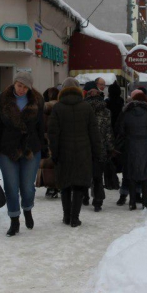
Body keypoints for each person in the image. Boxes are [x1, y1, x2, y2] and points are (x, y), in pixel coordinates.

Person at [0, 72, 45, 237]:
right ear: (14, 83)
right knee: (11, 186)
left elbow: (41, 127)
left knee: (27, 187)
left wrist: (43, 146)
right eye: (19, 85)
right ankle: (14, 220)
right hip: (7, 149)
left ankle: (27, 209)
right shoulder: (3, 99)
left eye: (25, 86)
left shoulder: (37, 100)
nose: (22, 89)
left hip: (30, 149)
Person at [47, 77, 100, 227]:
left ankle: (66, 217)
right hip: (84, 152)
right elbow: (94, 133)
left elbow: (53, 133)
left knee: (65, 184)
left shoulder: (57, 108)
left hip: (64, 152)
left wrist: (55, 153)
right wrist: (97, 153)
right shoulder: (86, 107)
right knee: (78, 185)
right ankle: (75, 218)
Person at [115, 89, 147, 210]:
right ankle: (144, 201)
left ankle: (132, 202)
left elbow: (121, 130)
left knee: (131, 172)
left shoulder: (126, 113)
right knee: (146, 171)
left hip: (130, 144)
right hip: (146, 144)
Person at [83, 80, 114, 212]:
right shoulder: (106, 110)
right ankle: (98, 201)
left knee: (84, 173)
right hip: (100, 147)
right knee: (97, 175)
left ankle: (84, 196)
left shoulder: (82, 109)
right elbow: (108, 131)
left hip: (84, 146)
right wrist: (110, 147)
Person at [40, 87, 60, 199]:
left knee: (48, 164)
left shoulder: (45, 107)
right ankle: (59, 185)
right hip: (59, 138)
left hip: (46, 138)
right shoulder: (61, 106)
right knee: (59, 163)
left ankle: (50, 187)